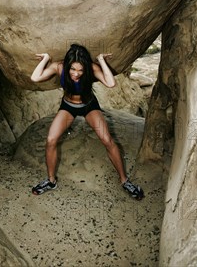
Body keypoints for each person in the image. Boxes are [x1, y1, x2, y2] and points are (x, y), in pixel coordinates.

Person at [30, 43, 144, 199]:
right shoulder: (59, 67)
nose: (76, 74)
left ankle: (125, 181)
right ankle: (51, 181)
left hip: (89, 106)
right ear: (68, 64)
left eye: (80, 70)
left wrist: (101, 61)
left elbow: (111, 83)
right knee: (51, 140)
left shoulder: (92, 68)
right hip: (68, 107)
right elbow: (35, 77)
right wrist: (45, 59)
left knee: (107, 140)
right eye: (73, 69)